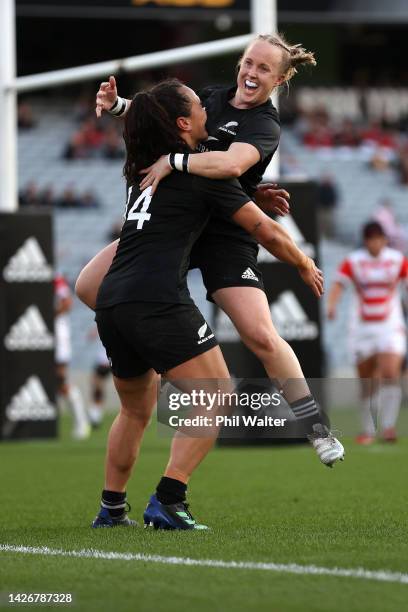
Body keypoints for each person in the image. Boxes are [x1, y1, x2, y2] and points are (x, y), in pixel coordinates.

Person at [78, 33, 345, 468]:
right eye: (247, 62)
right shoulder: (210, 98)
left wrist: (178, 163)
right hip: (178, 220)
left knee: (260, 333)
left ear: (278, 79)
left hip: (224, 229)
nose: (250, 72)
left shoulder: (265, 124)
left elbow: (230, 165)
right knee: (90, 286)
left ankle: (314, 425)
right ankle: (172, 358)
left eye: (262, 68)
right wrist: (120, 106)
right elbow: (165, 119)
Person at [327, 221, 408, 444]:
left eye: (379, 238)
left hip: (390, 325)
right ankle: (368, 430)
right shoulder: (354, 261)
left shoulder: (397, 260)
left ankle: (389, 427)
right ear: (366, 241)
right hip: (361, 328)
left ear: (384, 239)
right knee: (367, 380)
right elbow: (338, 284)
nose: (375, 243)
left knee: (391, 371)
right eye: (371, 239)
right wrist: (332, 305)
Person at [55, 274, 90, 440]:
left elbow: (67, 302)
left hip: (56, 338)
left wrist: (48, 317)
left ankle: (81, 423)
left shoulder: (55, 279)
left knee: (59, 380)